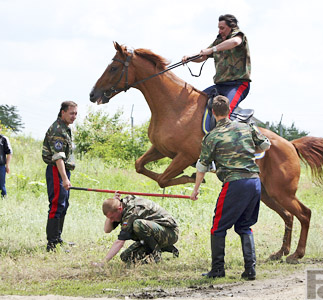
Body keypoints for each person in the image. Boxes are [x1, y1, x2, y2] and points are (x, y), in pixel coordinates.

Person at [190, 95, 271, 280]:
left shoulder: (212, 136)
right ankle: (250, 270)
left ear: (213, 112)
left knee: (218, 228)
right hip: (254, 182)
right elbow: (266, 145)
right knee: (244, 226)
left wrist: (195, 190)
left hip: (235, 183)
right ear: (229, 110)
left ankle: (218, 269)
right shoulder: (247, 126)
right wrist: (248, 153)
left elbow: (202, 166)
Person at [182, 14, 251, 134]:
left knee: (224, 113)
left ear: (232, 27)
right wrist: (189, 58)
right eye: (219, 28)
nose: (220, 31)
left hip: (237, 85)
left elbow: (234, 42)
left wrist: (212, 49)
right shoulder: (219, 41)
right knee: (196, 102)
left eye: (222, 28)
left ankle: (241, 138)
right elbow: (203, 56)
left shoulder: (238, 36)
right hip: (219, 86)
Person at [92, 193, 179, 266]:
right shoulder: (120, 208)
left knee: (138, 225)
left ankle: (156, 255)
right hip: (156, 234)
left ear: (119, 209)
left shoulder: (132, 211)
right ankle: (164, 247)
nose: (111, 220)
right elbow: (107, 229)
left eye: (112, 217)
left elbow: (120, 242)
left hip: (170, 232)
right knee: (126, 257)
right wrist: (113, 203)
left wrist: (103, 262)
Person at [42, 101, 77, 252]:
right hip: (57, 170)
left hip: (62, 170)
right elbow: (58, 157)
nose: (74, 117)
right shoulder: (58, 130)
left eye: (76, 114)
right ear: (62, 112)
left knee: (64, 204)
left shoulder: (65, 128)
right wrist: (64, 178)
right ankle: (52, 244)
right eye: (71, 113)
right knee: (57, 205)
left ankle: (58, 238)